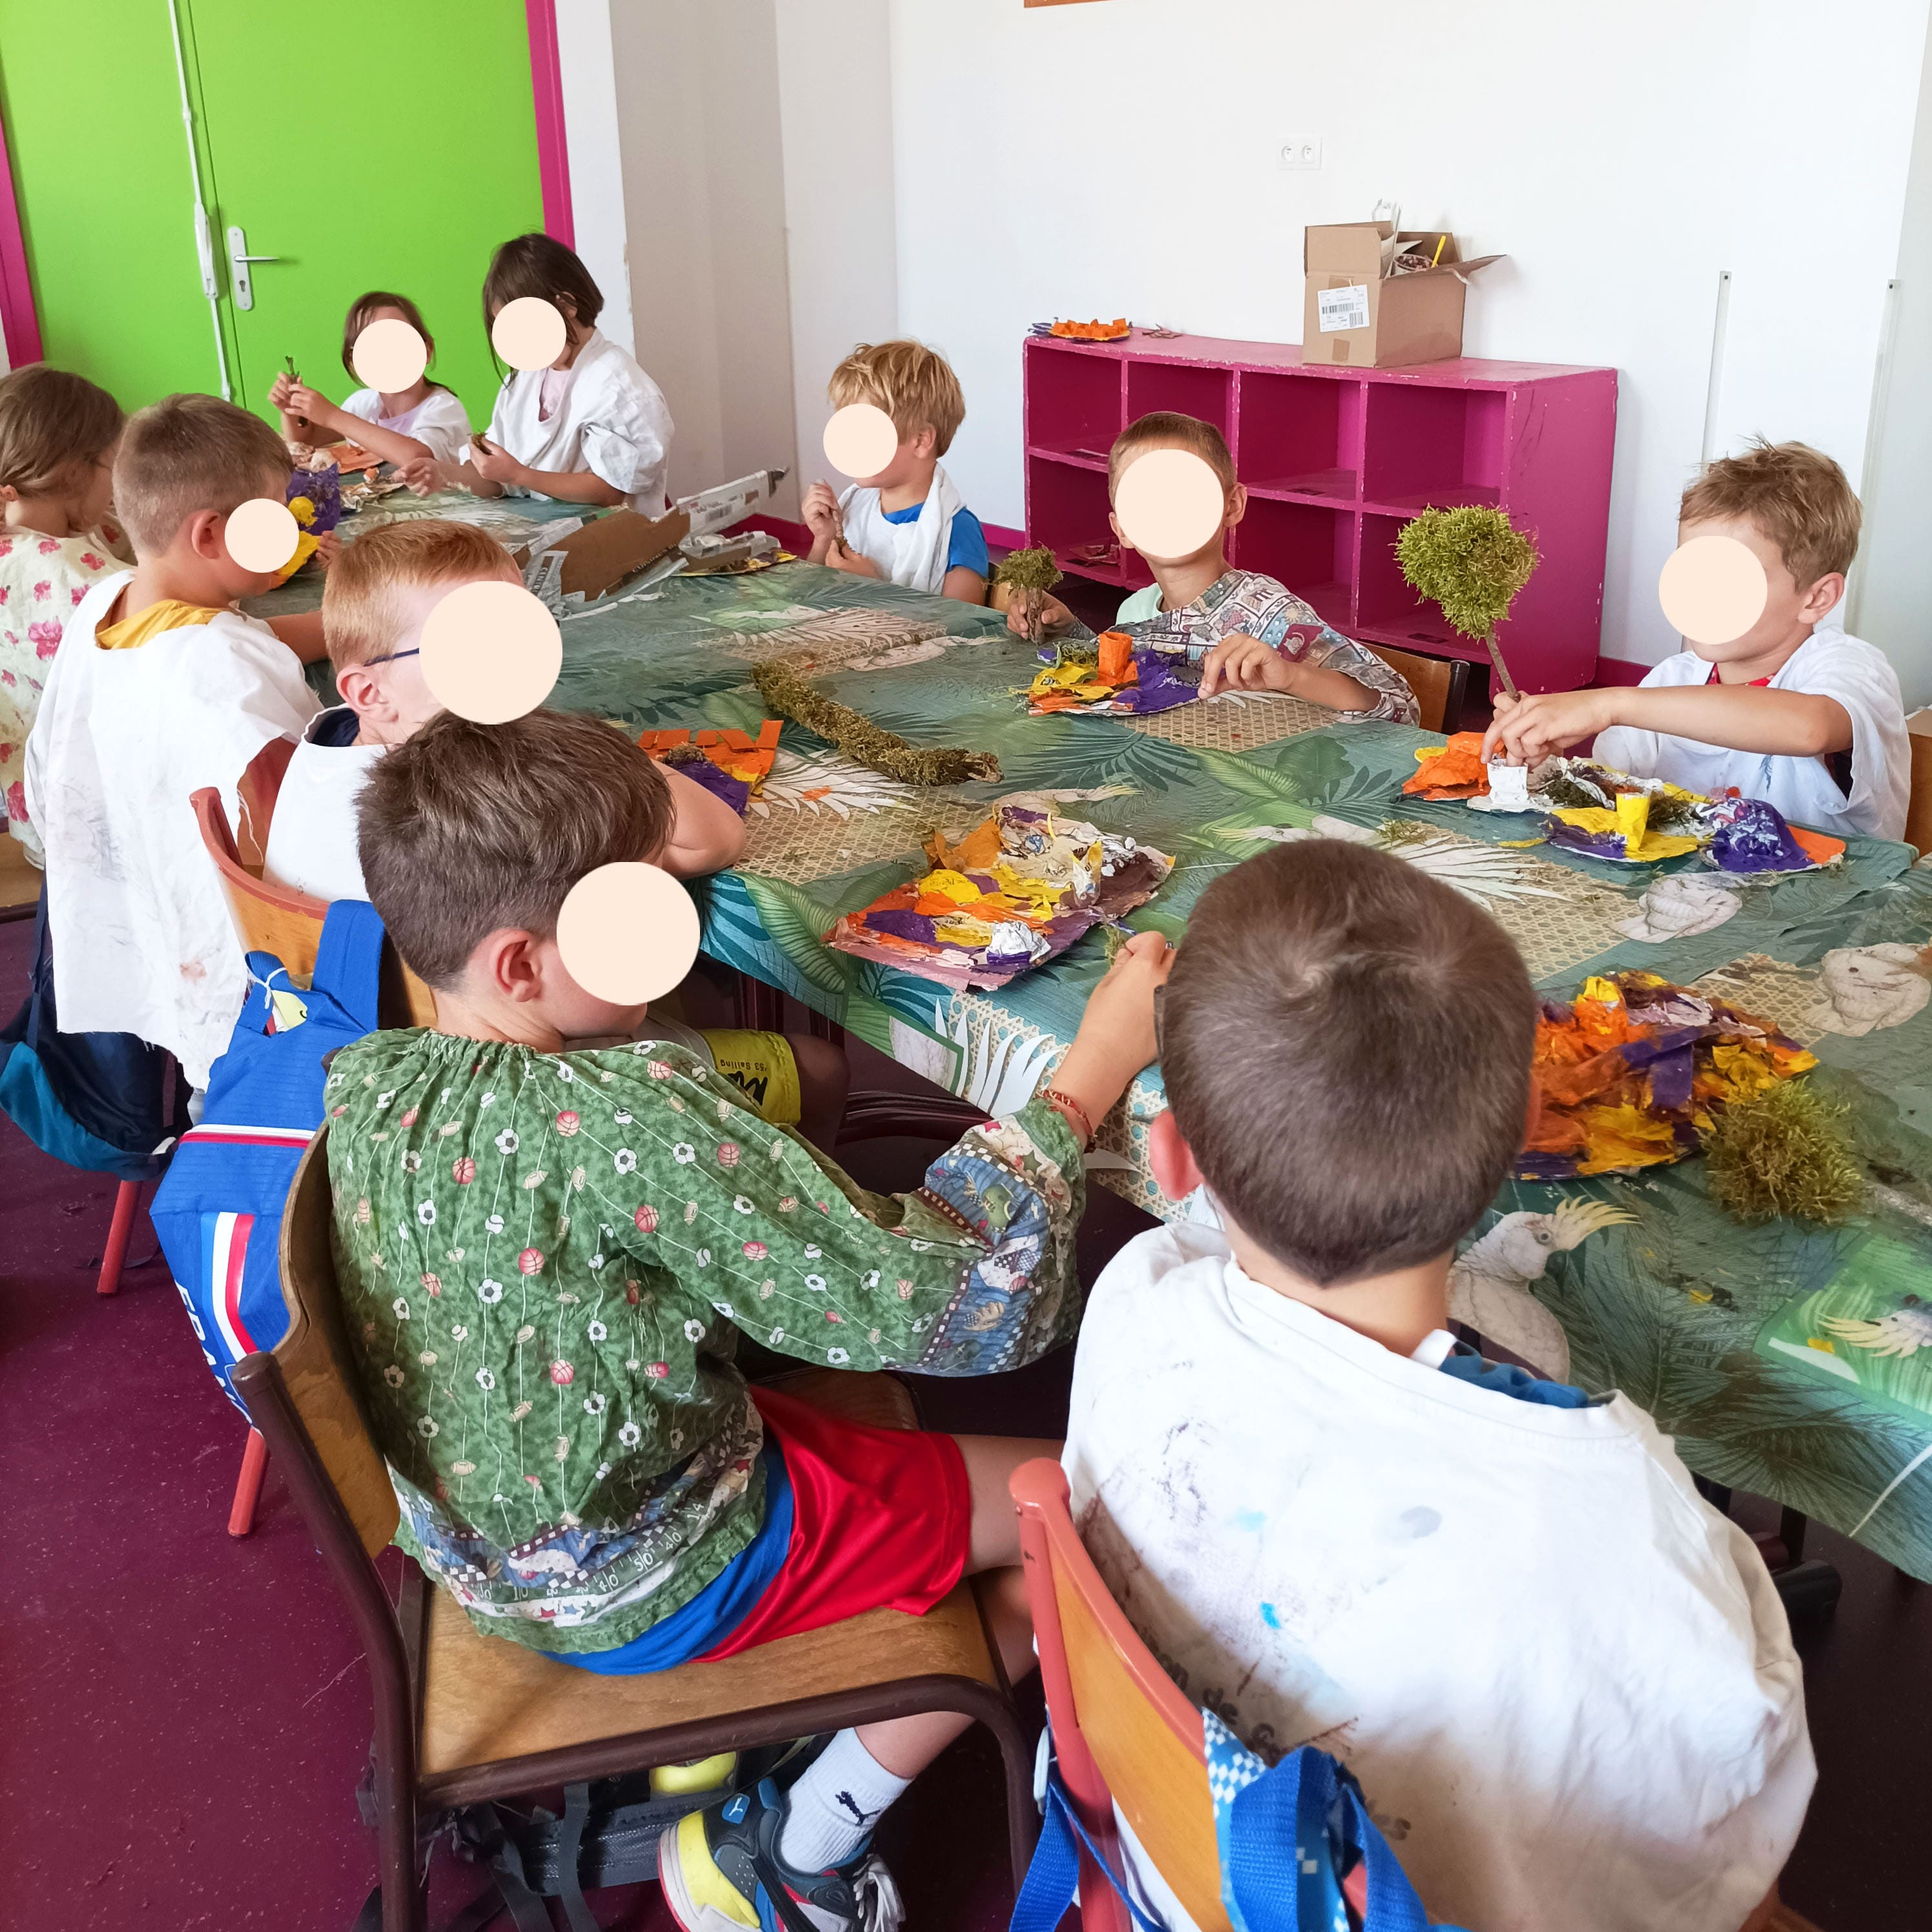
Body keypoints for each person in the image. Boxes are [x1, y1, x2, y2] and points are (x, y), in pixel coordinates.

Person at [329, 705, 1171, 1932]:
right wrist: (1087, 1073)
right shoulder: (619, 1112)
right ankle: (797, 1843)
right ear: (519, 963)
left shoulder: (372, 1073)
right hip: (651, 1567)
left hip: (488, 1537)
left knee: (948, 1448)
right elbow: (935, 1300)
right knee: (1081, 1505)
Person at [1062, 838, 1814, 1932]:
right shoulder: (1620, 1531)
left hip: (1162, 1874)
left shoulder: (1136, 1293)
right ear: (1519, 1135)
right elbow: (1724, 1874)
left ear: (1171, 1162)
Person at [23, 393, 323, 1088]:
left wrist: (345, 622)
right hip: (234, 963)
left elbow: (204, 640)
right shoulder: (224, 665)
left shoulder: (110, 600)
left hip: (128, 913)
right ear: (213, 533)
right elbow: (306, 819)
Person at [262, 521, 747, 907]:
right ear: (368, 691)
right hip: (466, 1028)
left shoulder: (331, 741)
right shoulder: (489, 797)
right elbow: (714, 839)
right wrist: (585, 752)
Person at [1485, 440, 1909, 841]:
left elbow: (1810, 728)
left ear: (1817, 598)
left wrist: (1607, 704)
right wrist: (1544, 763)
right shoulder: (1672, 678)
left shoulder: (1850, 667)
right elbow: (1613, 799)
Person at [1007, 411, 1417, 720]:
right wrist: (1071, 632)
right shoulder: (1135, 611)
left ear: (1232, 505)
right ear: (1122, 528)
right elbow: (1128, 684)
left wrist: (1292, 677)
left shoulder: (1270, 614)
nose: (1166, 510)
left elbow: (1401, 706)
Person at [398, 234, 674, 514]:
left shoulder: (620, 388)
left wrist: (520, 475)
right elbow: (498, 481)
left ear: (566, 306)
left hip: (611, 542)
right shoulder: (524, 380)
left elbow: (610, 492)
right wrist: (444, 473)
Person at [0, 364, 130, 862]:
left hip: (37, 819)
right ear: (75, 471)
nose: (118, 483)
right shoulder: (68, 572)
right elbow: (183, 633)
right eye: (113, 465)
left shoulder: (40, 535)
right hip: (101, 832)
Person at [801, 339, 990, 604]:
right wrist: (824, 539)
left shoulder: (956, 531)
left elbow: (964, 630)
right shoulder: (852, 507)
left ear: (922, 440)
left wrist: (873, 589)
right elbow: (807, 596)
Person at [268, 290, 473, 471]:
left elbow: (417, 458)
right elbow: (308, 440)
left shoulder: (444, 408)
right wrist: (291, 411)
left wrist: (332, 415)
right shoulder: (363, 404)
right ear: (354, 360)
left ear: (426, 350)